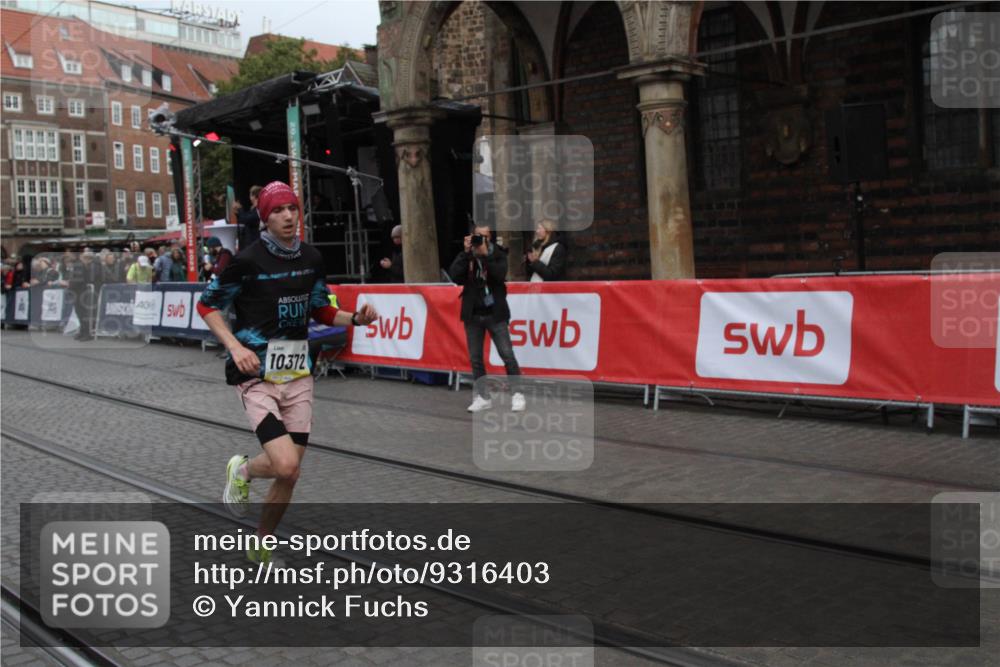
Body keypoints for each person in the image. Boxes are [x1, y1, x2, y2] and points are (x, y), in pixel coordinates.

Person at [196, 180, 378, 564]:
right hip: (255, 373)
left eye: (292, 208)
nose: (288, 216)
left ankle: (261, 543)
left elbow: (320, 309)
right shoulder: (246, 261)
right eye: (278, 210)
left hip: (297, 372)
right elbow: (207, 306)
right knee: (285, 463)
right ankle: (242, 471)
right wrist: (236, 346)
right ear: (265, 217)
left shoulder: (311, 257)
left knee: (290, 473)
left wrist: (354, 319)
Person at [449, 223, 524, 413]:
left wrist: (485, 255)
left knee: (507, 354)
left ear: (490, 237)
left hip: (495, 313)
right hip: (473, 314)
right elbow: (455, 276)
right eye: (477, 236)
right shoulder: (468, 256)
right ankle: (483, 397)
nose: (481, 240)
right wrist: (466, 253)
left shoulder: (498, 254)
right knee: (475, 358)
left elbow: (499, 276)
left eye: (484, 236)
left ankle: (517, 394)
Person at [67, 249, 101, 341]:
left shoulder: (79, 265)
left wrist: (70, 286)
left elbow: (78, 279)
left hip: (80, 291)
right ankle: (82, 331)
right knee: (79, 313)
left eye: (69, 254)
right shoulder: (79, 264)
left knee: (82, 313)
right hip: (79, 291)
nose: (68, 256)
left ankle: (86, 333)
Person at [237, 185, 263, 251]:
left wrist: (240, 209)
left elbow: (246, 219)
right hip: (252, 242)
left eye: (250, 195)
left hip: (256, 242)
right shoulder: (254, 209)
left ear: (253, 196)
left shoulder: (259, 208)